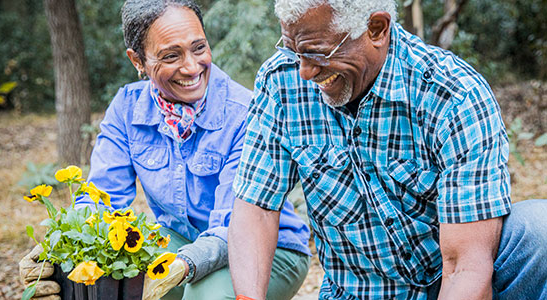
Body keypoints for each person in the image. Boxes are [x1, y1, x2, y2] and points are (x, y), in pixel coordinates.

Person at [228, 0, 547, 299]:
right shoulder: (281, 81)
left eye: (316, 53)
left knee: (538, 229)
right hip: (354, 292)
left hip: (447, 285)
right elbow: (256, 207)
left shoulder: (453, 96)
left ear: (377, 28)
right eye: (293, 51)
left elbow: (465, 267)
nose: (305, 72)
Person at [18, 0, 311, 299]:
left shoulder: (244, 113)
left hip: (268, 249)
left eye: (199, 48)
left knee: (202, 296)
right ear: (137, 61)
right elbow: (100, 200)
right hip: (178, 238)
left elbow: (232, 225)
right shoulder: (127, 108)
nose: (191, 66)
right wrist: (61, 252)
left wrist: (184, 264)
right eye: (171, 55)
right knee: (105, 283)